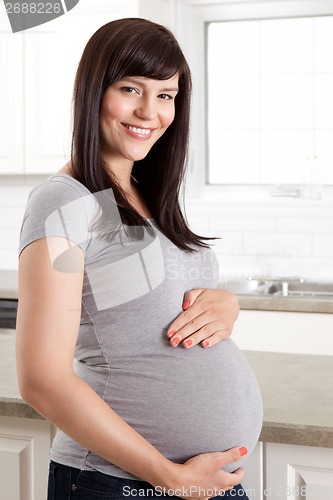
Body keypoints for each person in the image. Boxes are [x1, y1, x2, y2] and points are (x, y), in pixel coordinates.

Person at [16, 18, 263, 500]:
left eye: (166, 95)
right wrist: (168, 476)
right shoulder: (67, 205)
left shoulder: (141, 195)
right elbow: (42, 380)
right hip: (119, 484)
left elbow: (150, 304)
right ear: (93, 92)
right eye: (131, 88)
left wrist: (226, 307)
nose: (150, 111)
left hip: (203, 484)